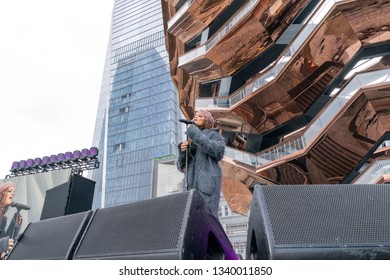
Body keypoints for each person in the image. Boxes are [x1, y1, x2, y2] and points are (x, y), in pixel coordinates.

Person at [176, 110, 225, 216]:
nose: (195, 118)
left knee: (206, 219)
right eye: (195, 116)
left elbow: (218, 151)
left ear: (207, 120)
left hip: (206, 186)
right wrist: (182, 152)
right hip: (189, 187)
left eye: (200, 116)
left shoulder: (214, 135)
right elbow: (181, 166)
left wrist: (195, 134)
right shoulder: (190, 139)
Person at [0, 181, 22, 259]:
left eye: (13, 192)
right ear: (1, 194)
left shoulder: (3, 219)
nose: (12, 193)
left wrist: (15, 227)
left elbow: (5, 240)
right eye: (9, 191)